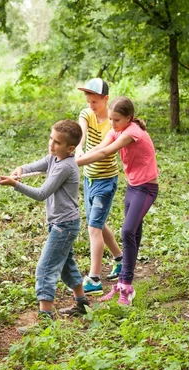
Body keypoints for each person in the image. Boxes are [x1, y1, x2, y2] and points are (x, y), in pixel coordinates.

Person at [0, 120, 90, 319]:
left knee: (45, 268)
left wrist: (15, 184)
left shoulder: (65, 166)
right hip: (60, 223)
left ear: (71, 148)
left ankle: (45, 317)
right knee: (66, 265)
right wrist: (21, 169)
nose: (51, 144)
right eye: (51, 138)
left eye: (57, 142)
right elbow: (34, 166)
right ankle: (82, 304)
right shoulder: (54, 158)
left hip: (64, 226)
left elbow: (41, 193)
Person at [77, 96, 159, 306]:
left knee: (127, 231)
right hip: (133, 188)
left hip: (147, 189)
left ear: (129, 118)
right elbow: (98, 148)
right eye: (111, 120)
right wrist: (74, 156)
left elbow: (106, 152)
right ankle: (126, 278)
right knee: (134, 233)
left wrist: (75, 163)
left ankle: (126, 285)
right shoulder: (117, 130)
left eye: (116, 120)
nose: (111, 124)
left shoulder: (132, 133)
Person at [76, 78, 124, 296]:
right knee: (99, 224)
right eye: (88, 101)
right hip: (89, 179)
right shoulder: (86, 114)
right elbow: (81, 134)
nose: (91, 106)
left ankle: (94, 277)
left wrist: (78, 160)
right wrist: (77, 149)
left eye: (95, 101)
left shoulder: (114, 122)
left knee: (93, 227)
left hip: (106, 180)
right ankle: (120, 259)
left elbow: (107, 150)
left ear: (106, 99)